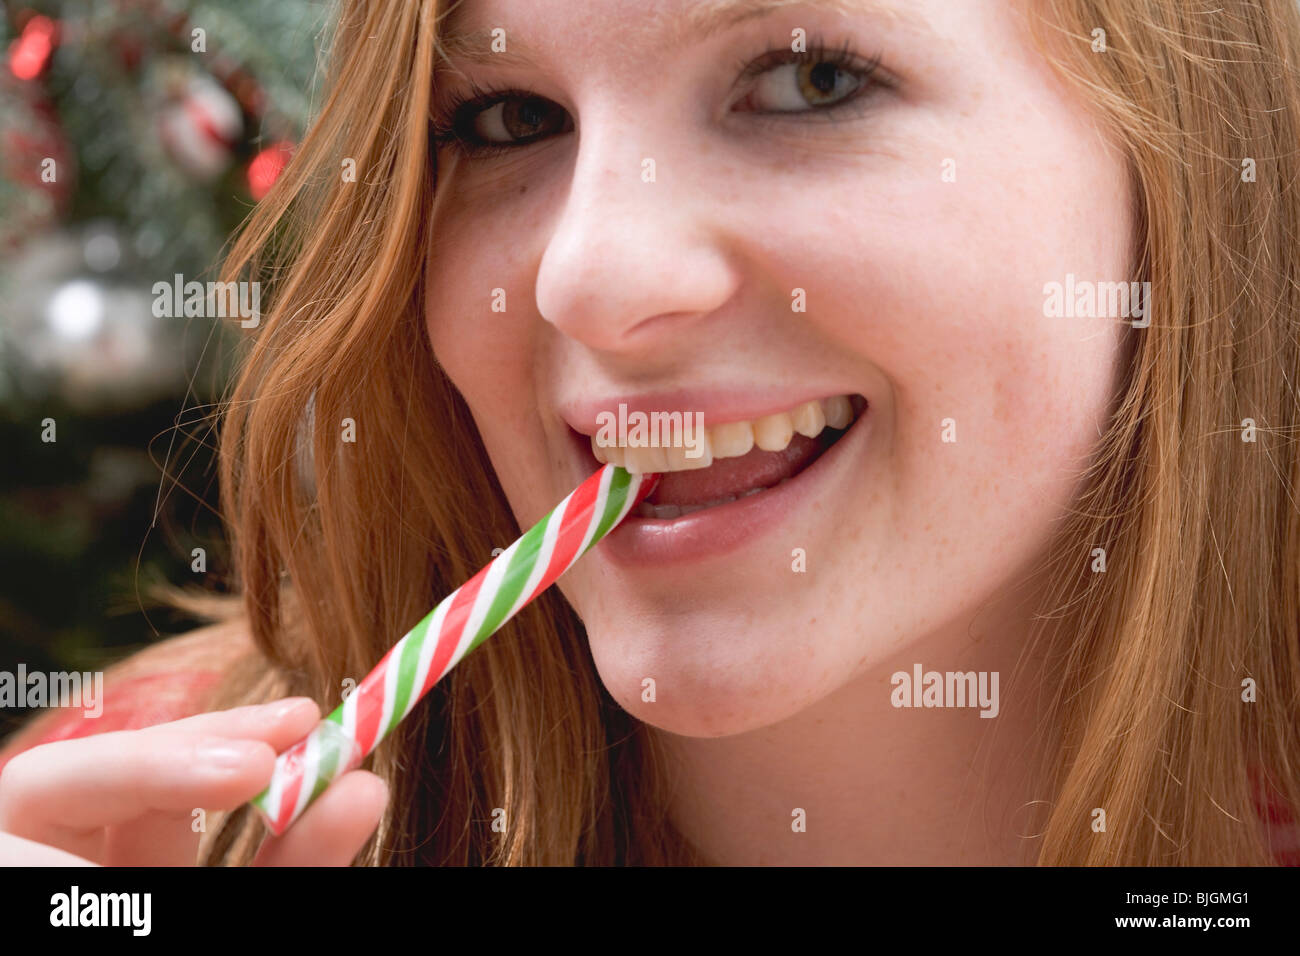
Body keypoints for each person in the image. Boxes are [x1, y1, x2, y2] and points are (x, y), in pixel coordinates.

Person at [3, 0, 1299, 866]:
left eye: (809, 80)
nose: (589, 278)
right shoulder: (127, 825)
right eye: (510, 118)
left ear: (1181, 162)